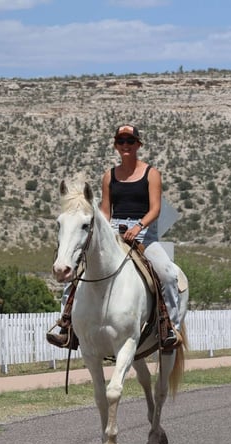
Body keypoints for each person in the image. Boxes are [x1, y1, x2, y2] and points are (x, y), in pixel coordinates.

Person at [47, 124, 180, 349]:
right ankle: (67, 326)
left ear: (138, 144)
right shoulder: (109, 176)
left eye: (130, 141)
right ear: (116, 146)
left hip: (145, 234)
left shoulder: (151, 174)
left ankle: (169, 327)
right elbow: (106, 211)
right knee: (77, 271)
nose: (125, 145)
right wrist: (103, 231)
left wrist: (138, 226)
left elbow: (155, 209)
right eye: (121, 141)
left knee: (166, 273)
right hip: (115, 232)